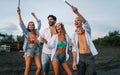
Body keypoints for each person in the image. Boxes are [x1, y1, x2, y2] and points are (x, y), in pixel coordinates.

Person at [71, 6, 98, 75]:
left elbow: (85, 22)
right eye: (75, 21)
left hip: (89, 56)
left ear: (81, 22)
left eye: (78, 20)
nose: (76, 22)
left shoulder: (87, 30)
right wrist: (74, 61)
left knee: (92, 73)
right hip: (80, 57)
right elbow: (74, 49)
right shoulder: (73, 35)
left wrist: (76, 12)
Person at [17, 7, 42, 75]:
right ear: (28, 26)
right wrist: (19, 14)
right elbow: (21, 24)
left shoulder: (37, 31)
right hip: (29, 50)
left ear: (34, 26)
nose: (31, 25)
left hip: (36, 50)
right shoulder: (26, 32)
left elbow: (39, 22)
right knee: (28, 68)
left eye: (32, 24)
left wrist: (34, 16)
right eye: (29, 25)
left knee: (40, 67)